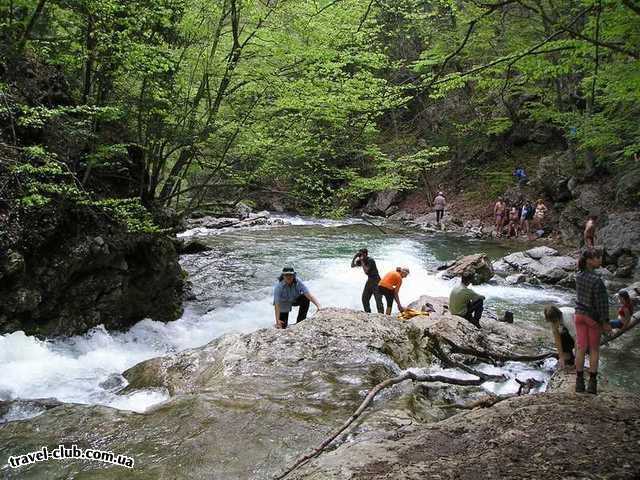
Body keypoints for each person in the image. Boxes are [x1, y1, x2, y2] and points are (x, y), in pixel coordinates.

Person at [574, 248, 611, 394]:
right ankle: (592, 384)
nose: (600, 260)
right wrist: (606, 322)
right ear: (589, 261)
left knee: (581, 348)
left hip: (578, 315)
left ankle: (579, 382)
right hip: (592, 318)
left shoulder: (578, 275)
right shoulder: (597, 280)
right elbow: (602, 304)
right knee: (594, 349)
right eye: (597, 257)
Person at [351, 248, 383, 314]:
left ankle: (381, 315)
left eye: (361, 255)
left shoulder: (370, 260)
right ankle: (368, 313)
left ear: (365, 254)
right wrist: (354, 257)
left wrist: (362, 261)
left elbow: (366, 271)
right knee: (364, 299)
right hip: (370, 280)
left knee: (378, 299)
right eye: (359, 255)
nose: (360, 256)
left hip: (376, 280)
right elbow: (352, 265)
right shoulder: (361, 260)